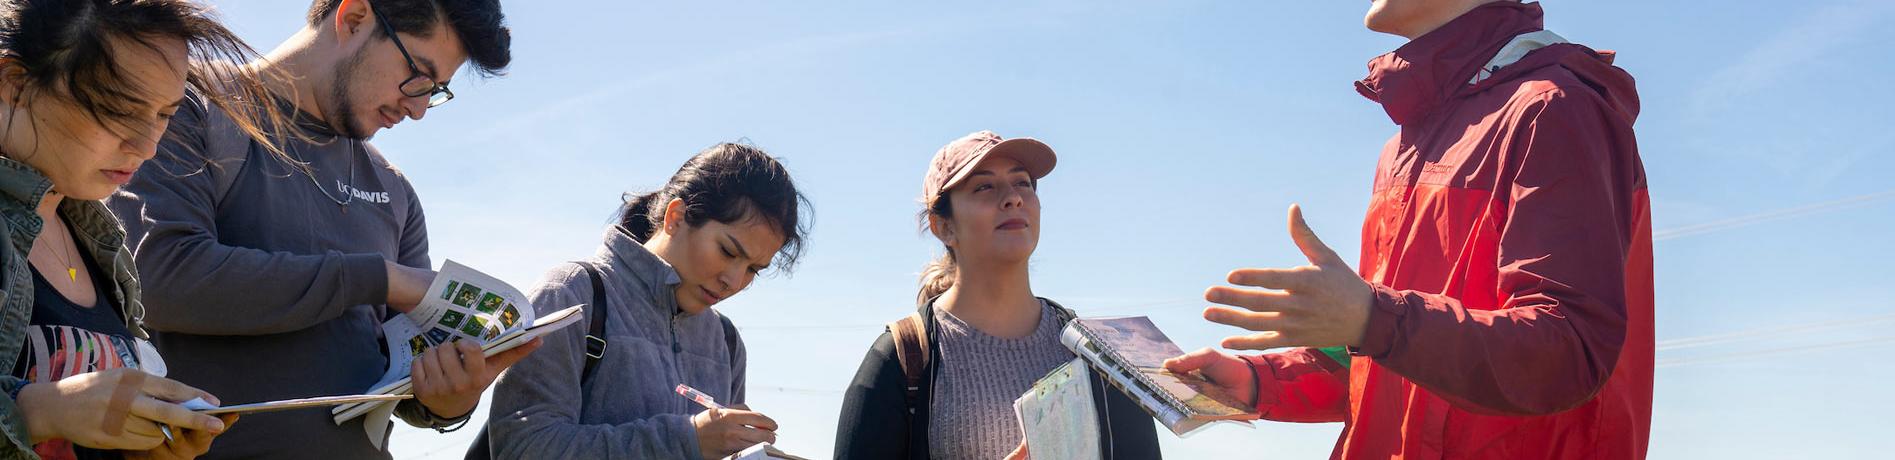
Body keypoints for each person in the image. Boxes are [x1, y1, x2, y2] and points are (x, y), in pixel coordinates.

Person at [1163, 0, 1652, 458]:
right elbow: (1400, 350)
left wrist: (1370, 318)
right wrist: (1259, 381)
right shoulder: (1404, 143)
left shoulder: (1556, 108)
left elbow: (1568, 353)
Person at [105, 0, 537, 457]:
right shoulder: (187, 106)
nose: (418, 109)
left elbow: (400, 370)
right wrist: (379, 278)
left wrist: (447, 401)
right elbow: (157, 278)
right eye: (418, 76)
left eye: (436, 90)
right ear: (353, 19)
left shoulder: (394, 190)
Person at [0, 1, 293, 458]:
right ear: (14, 83)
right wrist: (40, 411)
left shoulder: (103, 243)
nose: (147, 145)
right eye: (118, 109)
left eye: (164, 115)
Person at [833, 131, 1161, 460]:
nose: (1013, 198)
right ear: (943, 226)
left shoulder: (1101, 356)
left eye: (1023, 183)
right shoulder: (899, 360)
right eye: (984, 186)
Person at [486, 143, 811, 460]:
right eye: (727, 251)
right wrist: (687, 441)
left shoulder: (726, 343)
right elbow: (521, 448)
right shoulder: (572, 294)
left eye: (753, 269)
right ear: (676, 216)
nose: (734, 281)